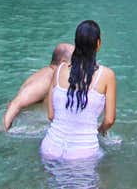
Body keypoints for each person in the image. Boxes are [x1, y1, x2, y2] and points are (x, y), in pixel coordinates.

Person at [40, 20, 117, 161]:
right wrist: (99, 131)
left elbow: (51, 116)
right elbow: (109, 120)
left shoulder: (59, 70)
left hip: (50, 147)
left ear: (76, 44)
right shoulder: (107, 75)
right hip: (83, 153)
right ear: (98, 44)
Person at [3, 43, 75, 131]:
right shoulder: (46, 78)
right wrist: (4, 131)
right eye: (75, 62)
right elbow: (16, 103)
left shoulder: (56, 78)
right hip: (23, 130)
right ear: (63, 63)